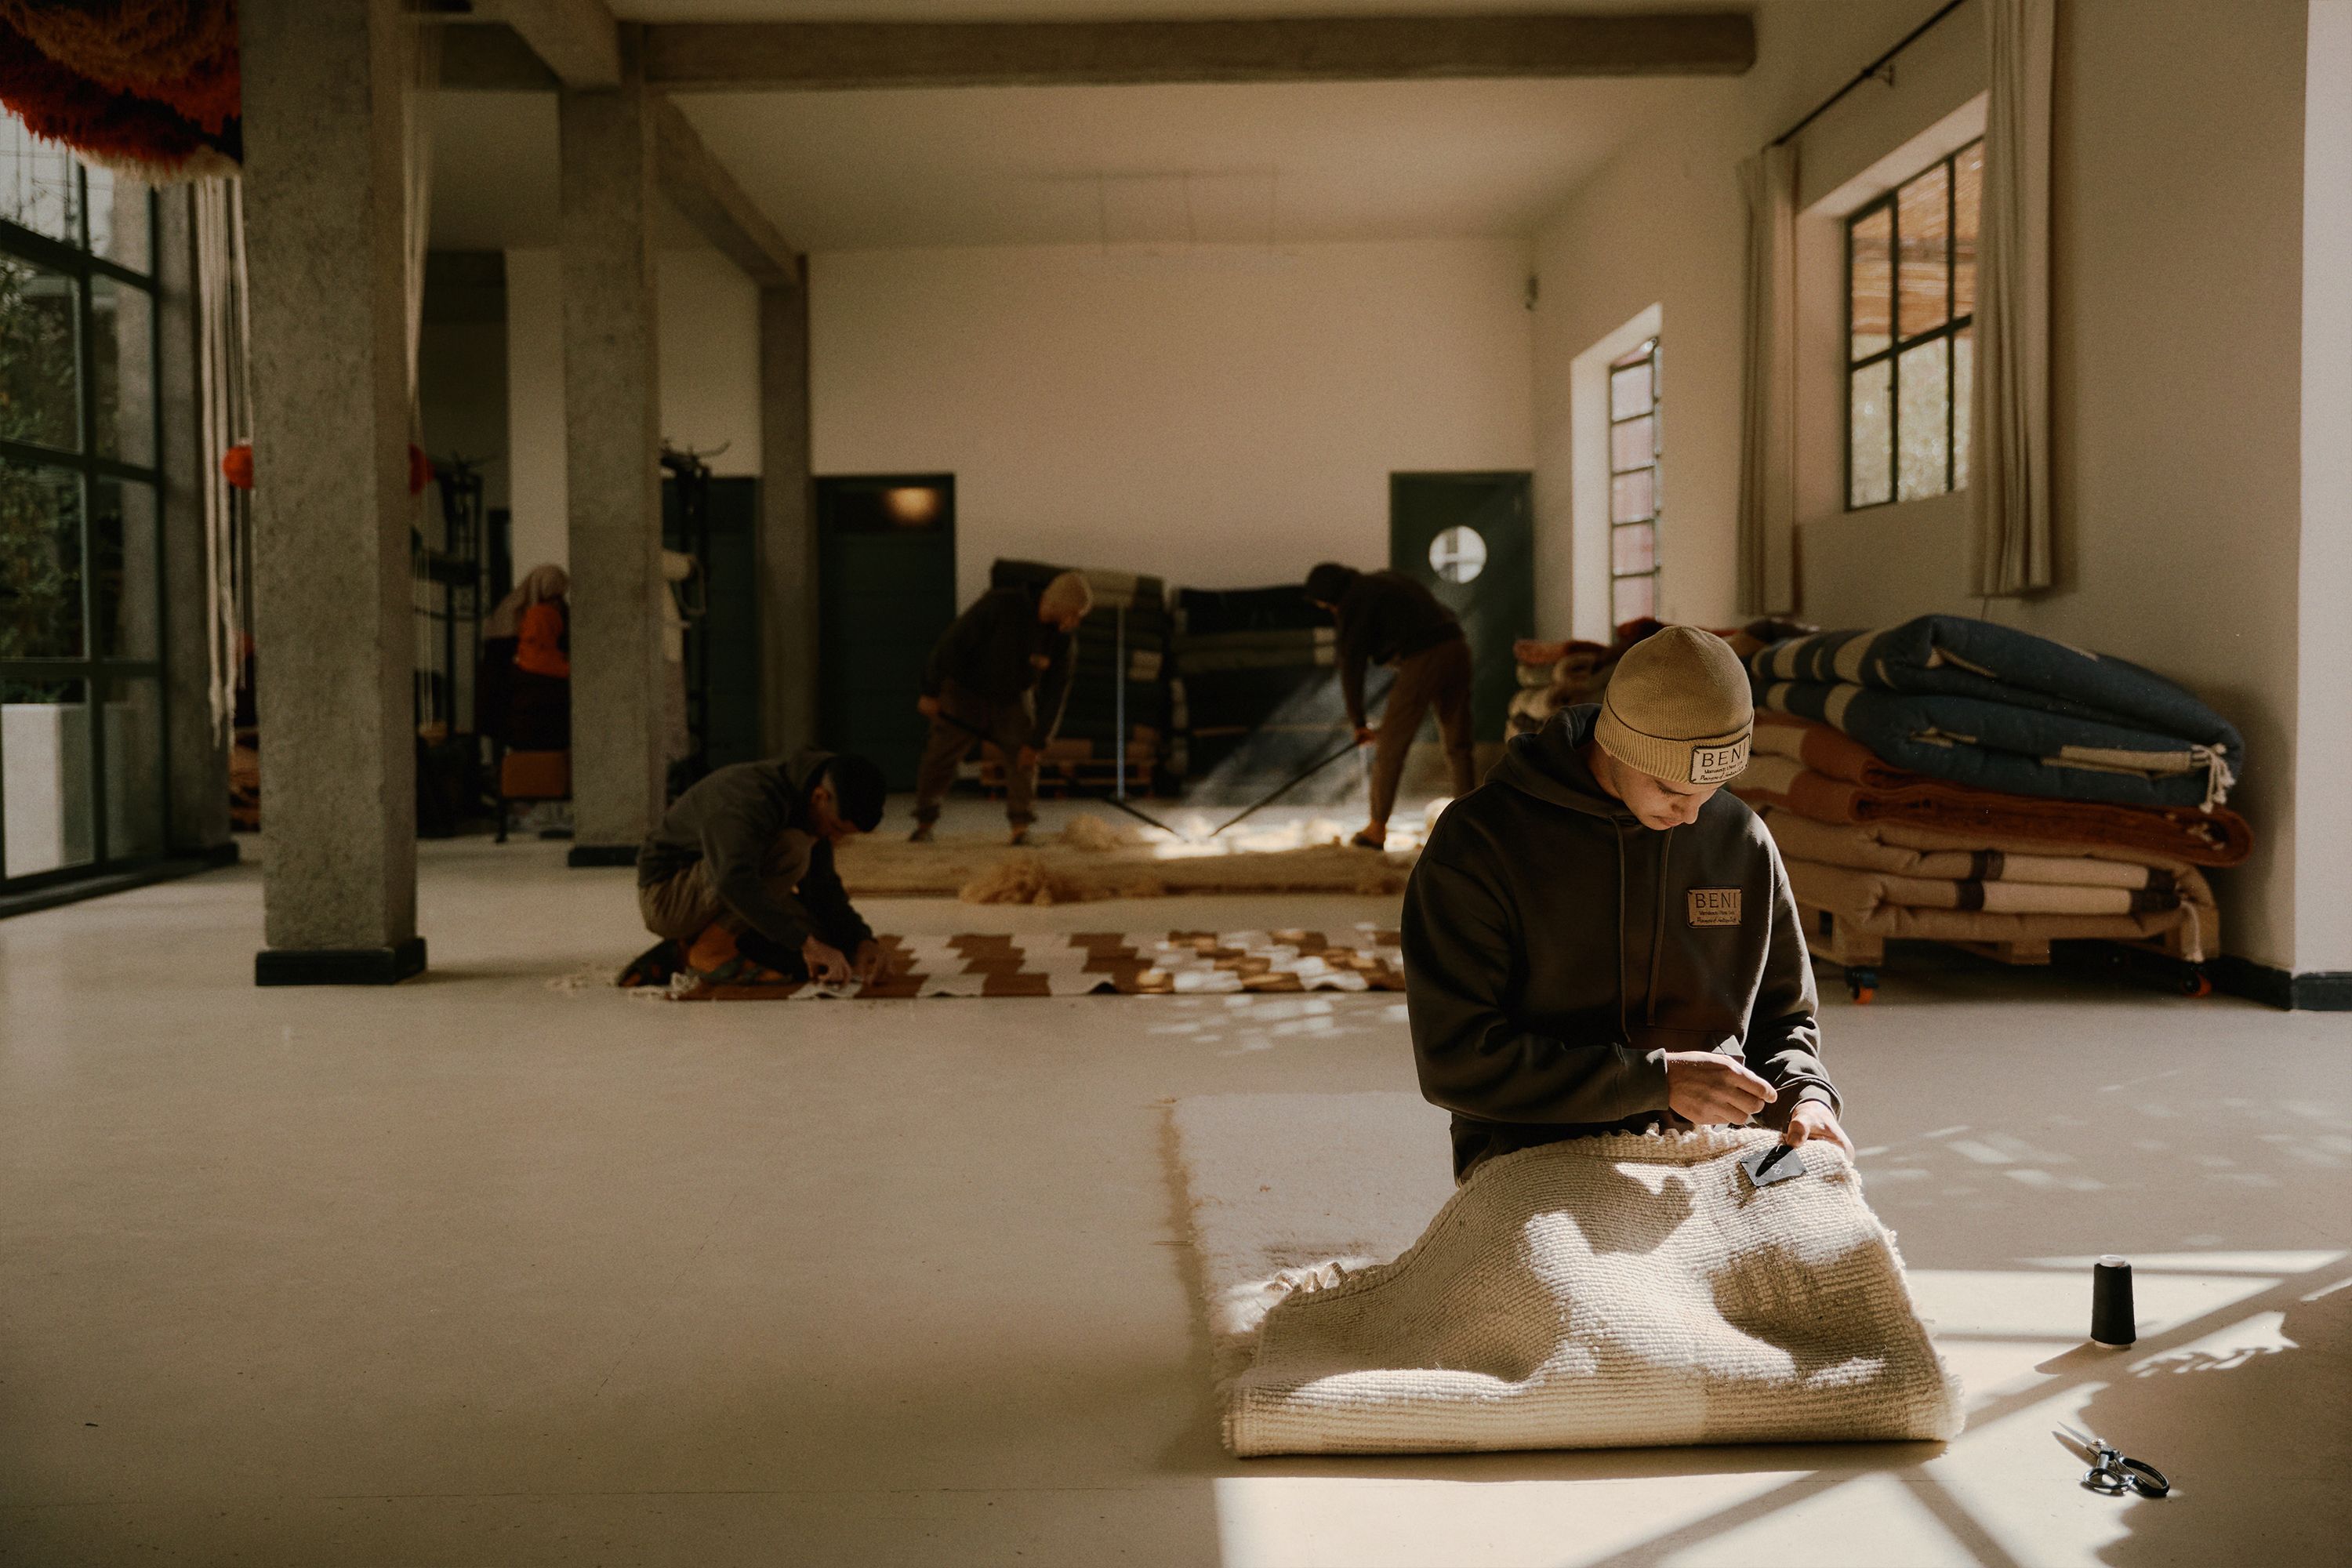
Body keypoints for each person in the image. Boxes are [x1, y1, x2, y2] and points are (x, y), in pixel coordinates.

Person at [1399, 623, 1849, 1182]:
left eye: (1709, 792)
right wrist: (1653, 1082)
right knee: (1572, 1246)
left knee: (1827, 1221)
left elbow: (1783, 1017)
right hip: (1534, 1146)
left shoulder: (1739, 837)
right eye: (1670, 790)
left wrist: (1807, 1097)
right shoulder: (1481, 842)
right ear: (1613, 741)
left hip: (1715, 1143)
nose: (1691, 816)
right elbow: (1455, 1061)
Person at [623, 749, 891, 987]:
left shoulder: (812, 802)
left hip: (716, 889)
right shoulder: (752, 797)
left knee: (830, 944)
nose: (836, 840)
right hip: (668, 897)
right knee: (793, 850)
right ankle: (711, 950)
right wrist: (804, 943)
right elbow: (733, 880)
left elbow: (823, 889)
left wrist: (861, 942)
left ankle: (685, 948)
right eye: (835, 829)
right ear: (820, 796)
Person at [910, 570, 1093, 846]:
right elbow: (952, 643)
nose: (1076, 622)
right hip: (964, 691)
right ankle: (924, 823)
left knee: (1025, 758)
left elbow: (1057, 694)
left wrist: (1038, 741)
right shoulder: (999, 605)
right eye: (1074, 614)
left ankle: (1021, 827)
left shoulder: (1063, 639)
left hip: (1013, 698)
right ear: (1056, 603)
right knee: (939, 758)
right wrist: (930, 690)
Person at [1303, 562, 1477, 851]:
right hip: (1457, 646)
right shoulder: (1383, 579)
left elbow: (1352, 666)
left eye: (1327, 606)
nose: (1331, 612)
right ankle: (1472, 823)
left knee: (1390, 748)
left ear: (1331, 596)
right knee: (1458, 745)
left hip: (1424, 656)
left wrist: (1358, 722)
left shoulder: (1353, 600)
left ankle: (1376, 830)